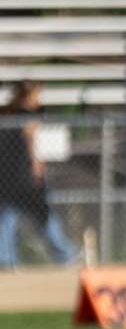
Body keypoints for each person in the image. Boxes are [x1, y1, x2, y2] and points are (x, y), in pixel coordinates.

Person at [0, 81, 75, 268]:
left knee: (8, 219)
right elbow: (31, 138)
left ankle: (7, 261)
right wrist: (37, 166)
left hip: (9, 177)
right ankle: (66, 254)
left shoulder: (10, 113)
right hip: (26, 177)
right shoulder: (28, 115)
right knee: (43, 216)